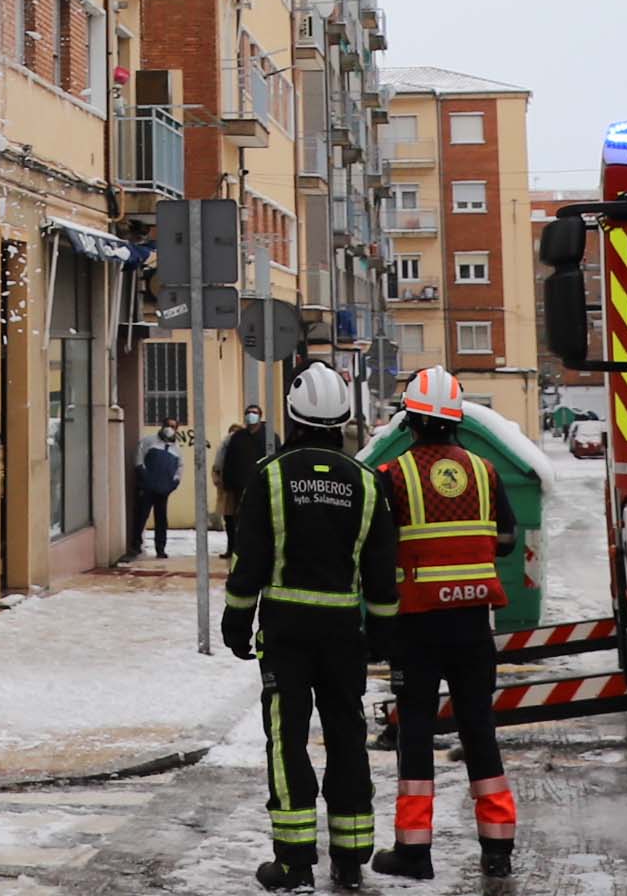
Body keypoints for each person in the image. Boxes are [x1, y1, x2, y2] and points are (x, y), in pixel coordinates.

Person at [223, 364, 397, 891]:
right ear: (342, 420)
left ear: (293, 417)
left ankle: (295, 862)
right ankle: (350, 855)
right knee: (347, 735)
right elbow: (381, 571)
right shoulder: (366, 483)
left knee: (287, 740)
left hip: (286, 634)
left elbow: (249, 561)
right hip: (344, 634)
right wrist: (382, 634)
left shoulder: (270, 476)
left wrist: (236, 621)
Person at [371, 368, 519, 885]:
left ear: (410, 420)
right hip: (473, 625)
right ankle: (497, 848)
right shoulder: (484, 471)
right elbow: (507, 541)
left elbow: (378, 551)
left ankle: (414, 852)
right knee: (479, 729)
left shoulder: (392, 476)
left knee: (415, 732)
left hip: (416, 628)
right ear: (457, 419)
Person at [132, 420, 182, 559]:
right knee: (141, 516)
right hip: (147, 488)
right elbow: (139, 459)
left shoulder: (176, 448)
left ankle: (160, 549)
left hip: (163, 490)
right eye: (168, 425)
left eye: (173, 427)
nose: (169, 429)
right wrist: (144, 478)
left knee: (161, 520)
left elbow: (179, 467)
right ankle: (136, 545)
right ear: (162, 426)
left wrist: (173, 484)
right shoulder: (148, 441)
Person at [217, 402, 274, 524]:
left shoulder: (270, 437)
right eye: (248, 412)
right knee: (241, 518)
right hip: (240, 486)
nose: (250, 415)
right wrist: (228, 483)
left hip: (263, 485)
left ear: (260, 416)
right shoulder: (237, 437)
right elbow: (229, 460)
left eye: (254, 413)